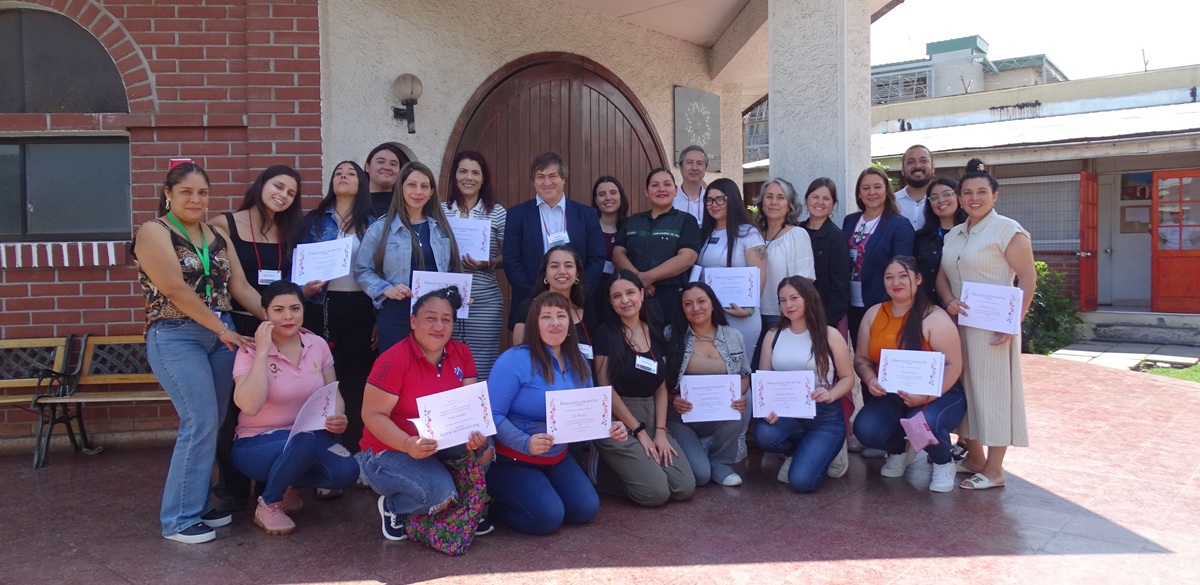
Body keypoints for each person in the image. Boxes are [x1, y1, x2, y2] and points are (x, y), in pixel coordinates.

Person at [133, 163, 261, 543]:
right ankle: (178, 519)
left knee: (215, 420)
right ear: (168, 193)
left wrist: (279, 317)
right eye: (186, 191)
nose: (196, 199)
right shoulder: (153, 231)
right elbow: (174, 288)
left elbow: (240, 288)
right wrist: (220, 328)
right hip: (176, 335)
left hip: (220, 337)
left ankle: (197, 502)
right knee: (199, 421)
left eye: (202, 192)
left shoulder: (216, 235)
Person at [487, 292, 628, 535]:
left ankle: (542, 493)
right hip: (514, 459)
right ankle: (491, 507)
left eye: (561, 316)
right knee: (547, 518)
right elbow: (492, 414)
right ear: (534, 323)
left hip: (557, 457)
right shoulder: (513, 360)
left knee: (585, 510)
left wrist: (611, 426)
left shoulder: (580, 362)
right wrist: (525, 443)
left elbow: (591, 412)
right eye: (546, 317)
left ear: (570, 323)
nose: (555, 323)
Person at [208, 164, 307, 513]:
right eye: (278, 186)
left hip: (280, 326)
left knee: (276, 403)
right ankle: (232, 487)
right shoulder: (225, 224)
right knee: (235, 408)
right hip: (243, 327)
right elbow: (240, 286)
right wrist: (276, 320)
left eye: (291, 193)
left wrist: (286, 318)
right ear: (262, 184)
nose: (283, 195)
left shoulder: (289, 230)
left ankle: (272, 483)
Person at [358, 287, 492, 541]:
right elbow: (372, 415)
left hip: (439, 443)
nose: (438, 326)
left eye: (446, 319)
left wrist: (476, 433)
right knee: (439, 496)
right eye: (430, 318)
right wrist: (407, 444)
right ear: (413, 321)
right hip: (389, 450)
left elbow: (470, 406)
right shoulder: (394, 359)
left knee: (485, 448)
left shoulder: (461, 352)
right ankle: (394, 507)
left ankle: (464, 506)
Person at [936, 159, 1036, 491]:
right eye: (967, 192)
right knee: (966, 391)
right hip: (959, 326)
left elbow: (1027, 277)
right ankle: (974, 457)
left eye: (981, 192)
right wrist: (948, 298)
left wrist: (1013, 323)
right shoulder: (955, 234)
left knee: (993, 394)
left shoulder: (1007, 230)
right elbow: (942, 274)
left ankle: (994, 469)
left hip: (994, 329)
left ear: (995, 195)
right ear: (960, 198)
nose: (973, 198)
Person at [231, 281, 360, 534]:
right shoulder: (250, 349)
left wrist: (337, 415)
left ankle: (285, 483)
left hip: (307, 438)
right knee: (303, 440)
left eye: (295, 308)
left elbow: (331, 392)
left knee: (347, 470)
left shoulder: (317, 345)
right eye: (278, 310)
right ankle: (269, 503)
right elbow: (249, 405)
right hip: (256, 443)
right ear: (265, 313)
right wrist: (263, 351)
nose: (288, 316)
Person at [851, 257, 966, 493]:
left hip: (940, 393)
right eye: (889, 277)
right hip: (892, 395)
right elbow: (861, 359)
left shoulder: (934, 317)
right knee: (866, 429)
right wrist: (870, 378)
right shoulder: (874, 314)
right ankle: (900, 450)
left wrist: (926, 397)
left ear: (918, 279)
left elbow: (954, 364)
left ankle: (943, 461)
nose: (896, 282)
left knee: (925, 421)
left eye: (903, 276)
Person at [593, 270, 696, 506]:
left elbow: (660, 387)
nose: (625, 300)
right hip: (618, 422)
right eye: (617, 296)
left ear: (641, 294)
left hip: (652, 417)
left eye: (630, 292)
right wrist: (638, 430)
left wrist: (660, 431)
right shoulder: (605, 334)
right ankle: (602, 474)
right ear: (610, 302)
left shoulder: (657, 334)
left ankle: (637, 469)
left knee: (683, 487)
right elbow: (605, 388)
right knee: (656, 494)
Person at [297, 161, 378, 455]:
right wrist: (303, 290)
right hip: (321, 307)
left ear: (361, 183)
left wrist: (379, 318)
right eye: (338, 173)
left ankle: (356, 451)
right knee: (324, 379)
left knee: (357, 379)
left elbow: (380, 272)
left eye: (351, 173)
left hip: (361, 307)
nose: (343, 177)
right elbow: (298, 267)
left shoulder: (373, 224)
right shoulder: (314, 221)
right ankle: (326, 450)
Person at [755, 276, 855, 494]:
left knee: (801, 482)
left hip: (824, 416)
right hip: (787, 413)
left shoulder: (830, 334)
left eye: (794, 298)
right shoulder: (773, 335)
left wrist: (830, 394)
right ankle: (799, 452)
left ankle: (831, 451)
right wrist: (767, 409)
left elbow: (848, 378)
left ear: (808, 298)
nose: (788, 305)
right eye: (782, 300)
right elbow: (764, 379)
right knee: (764, 434)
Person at [354, 161, 462, 353]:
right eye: (412, 185)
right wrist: (386, 289)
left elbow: (454, 269)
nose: (418, 191)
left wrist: (462, 294)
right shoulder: (380, 228)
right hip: (396, 311)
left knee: (431, 368)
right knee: (396, 370)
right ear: (400, 188)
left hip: (435, 312)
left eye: (424, 186)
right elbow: (362, 270)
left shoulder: (442, 230)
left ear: (431, 192)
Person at [503, 152, 606, 327]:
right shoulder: (516, 215)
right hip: (530, 304)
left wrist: (577, 293)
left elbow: (597, 258)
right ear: (533, 181)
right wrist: (536, 297)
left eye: (553, 176)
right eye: (540, 177)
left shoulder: (586, 215)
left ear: (564, 179)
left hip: (578, 305)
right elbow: (511, 260)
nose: (547, 182)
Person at [665, 283, 749, 487]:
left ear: (712, 304)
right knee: (700, 476)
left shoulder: (733, 336)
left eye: (701, 301)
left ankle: (721, 462)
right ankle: (699, 452)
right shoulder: (671, 335)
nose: (696, 308)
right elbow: (660, 382)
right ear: (682, 309)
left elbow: (744, 375)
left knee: (736, 412)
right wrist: (673, 399)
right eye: (688, 304)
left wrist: (736, 395)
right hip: (681, 418)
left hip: (718, 415)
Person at [799, 177, 854, 472]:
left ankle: (837, 443)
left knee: (831, 382)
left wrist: (823, 326)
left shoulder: (835, 238)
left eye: (826, 199)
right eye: (814, 197)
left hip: (827, 324)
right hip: (795, 323)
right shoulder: (796, 231)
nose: (819, 203)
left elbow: (839, 288)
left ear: (833, 205)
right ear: (807, 199)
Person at [443, 150, 507, 380]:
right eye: (463, 171)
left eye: (475, 173)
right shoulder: (440, 211)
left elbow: (509, 255)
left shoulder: (497, 212)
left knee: (482, 360)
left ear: (483, 178)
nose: (468, 177)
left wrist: (487, 263)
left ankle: (481, 411)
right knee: (446, 357)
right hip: (445, 297)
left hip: (484, 298)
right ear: (454, 176)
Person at [612, 168, 702, 328]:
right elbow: (618, 253)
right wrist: (638, 280)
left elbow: (687, 258)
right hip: (634, 300)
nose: (661, 189)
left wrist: (648, 278)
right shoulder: (633, 221)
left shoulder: (686, 221)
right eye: (655, 185)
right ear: (646, 191)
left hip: (672, 300)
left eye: (667, 184)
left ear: (675, 190)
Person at [697, 178, 766, 366]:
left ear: (733, 199)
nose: (714, 205)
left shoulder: (747, 233)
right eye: (709, 200)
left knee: (739, 372)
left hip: (740, 315)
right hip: (710, 314)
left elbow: (759, 274)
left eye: (720, 199)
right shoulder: (704, 234)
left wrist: (748, 309)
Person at [842, 167, 914, 347]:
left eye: (877, 187)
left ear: (886, 191)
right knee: (860, 356)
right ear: (859, 193)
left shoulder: (899, 224)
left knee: (880, 353)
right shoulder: (850, 221)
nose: (871, 192)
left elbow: (901, 268)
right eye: (865, 188)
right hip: (852, 303)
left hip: (882, 303)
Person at [752, 178, 815, 369]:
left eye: (780, 197)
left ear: (789, 205)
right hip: (751, 316)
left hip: (781, 317)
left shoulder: (797, 235)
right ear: (761, 202)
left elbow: (804, 282)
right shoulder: (753, 235)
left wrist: (792, 315)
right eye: (769, 196)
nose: (773, 202)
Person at [510, 246, 598, 360]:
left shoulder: (587, 310)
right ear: (545, 274)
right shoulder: (529, 307)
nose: (562, 271)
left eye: (568, 266)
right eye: (554, 266)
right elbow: (519, 357)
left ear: (577, 274)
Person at [913, 177, 966, 307]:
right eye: (934, 197)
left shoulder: (973, 233)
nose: (941, 200)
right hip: (929, 308)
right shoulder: (920, 238)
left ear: (959, 197)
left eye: (947, 194)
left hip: (968, 307)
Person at [591, 175, 629, 272]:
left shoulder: (631, 227)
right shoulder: (589, 228)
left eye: (613, 193)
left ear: (620, 196)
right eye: (602, 194)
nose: (608, 198)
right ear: (596, 200)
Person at [895, 145, 936, 230]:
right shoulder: (890, 202)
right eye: (910, 162)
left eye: (923, 161)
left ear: (933, 168)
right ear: (902, 170)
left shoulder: (944, 202)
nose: (917, 166)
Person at [364, 143, 406, 217]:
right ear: (367, 167)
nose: (387, 167)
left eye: (393, 164)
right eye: (380, 162)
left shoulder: (406, 204)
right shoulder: (353, 201)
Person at [673, 145, 708, 225]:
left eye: (699, 163)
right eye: (689, 162)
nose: (694, 168)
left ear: (705, 169)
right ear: (681, 168)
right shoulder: (672, 200)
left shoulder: (711, 200)